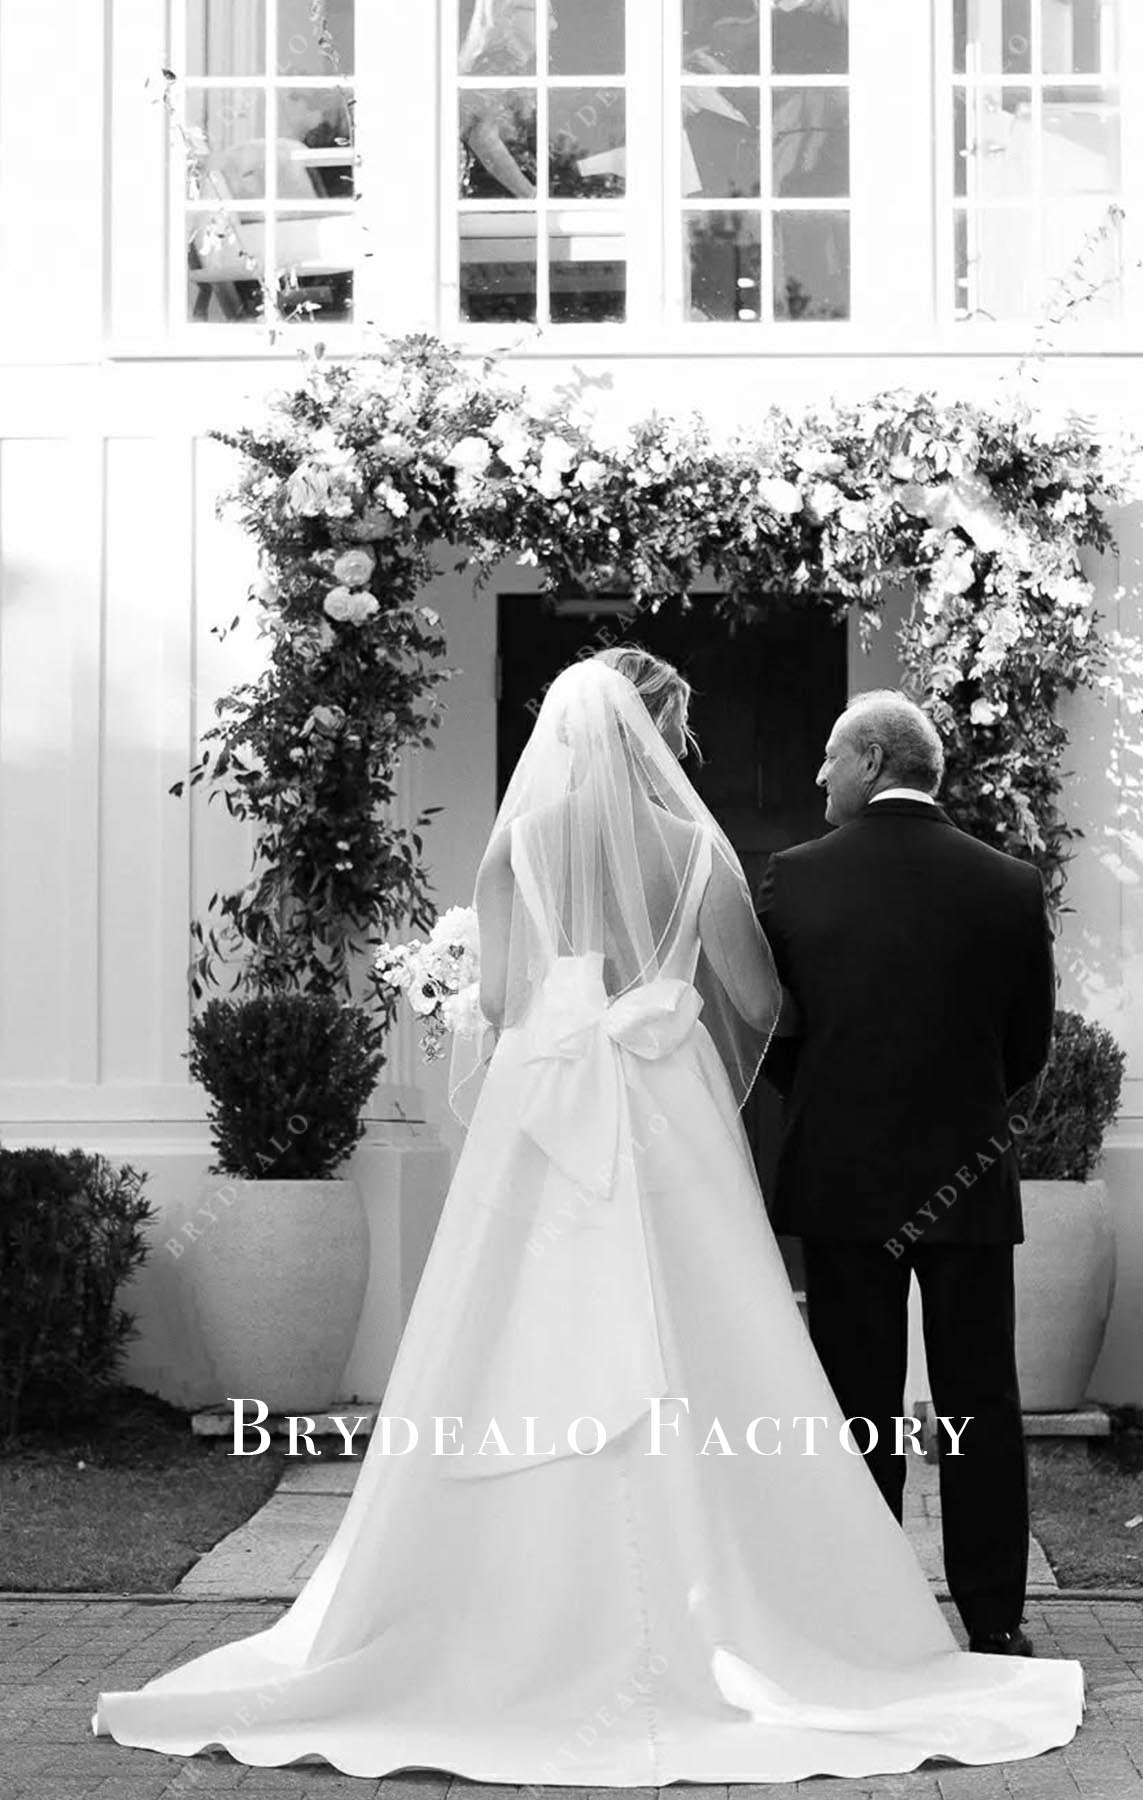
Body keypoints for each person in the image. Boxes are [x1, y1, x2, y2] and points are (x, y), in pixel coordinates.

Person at [92, 652, 1083, 1784]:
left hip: (549, 1107)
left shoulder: (520, 840)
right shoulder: (701, 849)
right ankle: (884, 1612)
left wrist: (571, 1001)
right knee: (731, 1345)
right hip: (664, 1104)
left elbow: (507, 1001)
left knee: (517, 1336)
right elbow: (761, 1003)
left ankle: (510, 1616)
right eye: (681, 732)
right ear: (653, 733)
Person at [756, 688, 1055, 1658]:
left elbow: (778, 1039)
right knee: (980, 1399)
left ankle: (867, 1613)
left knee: (858, 1402)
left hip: (842, 1184)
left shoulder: (793, 880)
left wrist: (835, 1104)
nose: (818, 775)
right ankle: (994, 1619)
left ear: (875, 762)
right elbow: (1029, 1047)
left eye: (832, 758)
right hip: (964, 1178)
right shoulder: (1009, 882)